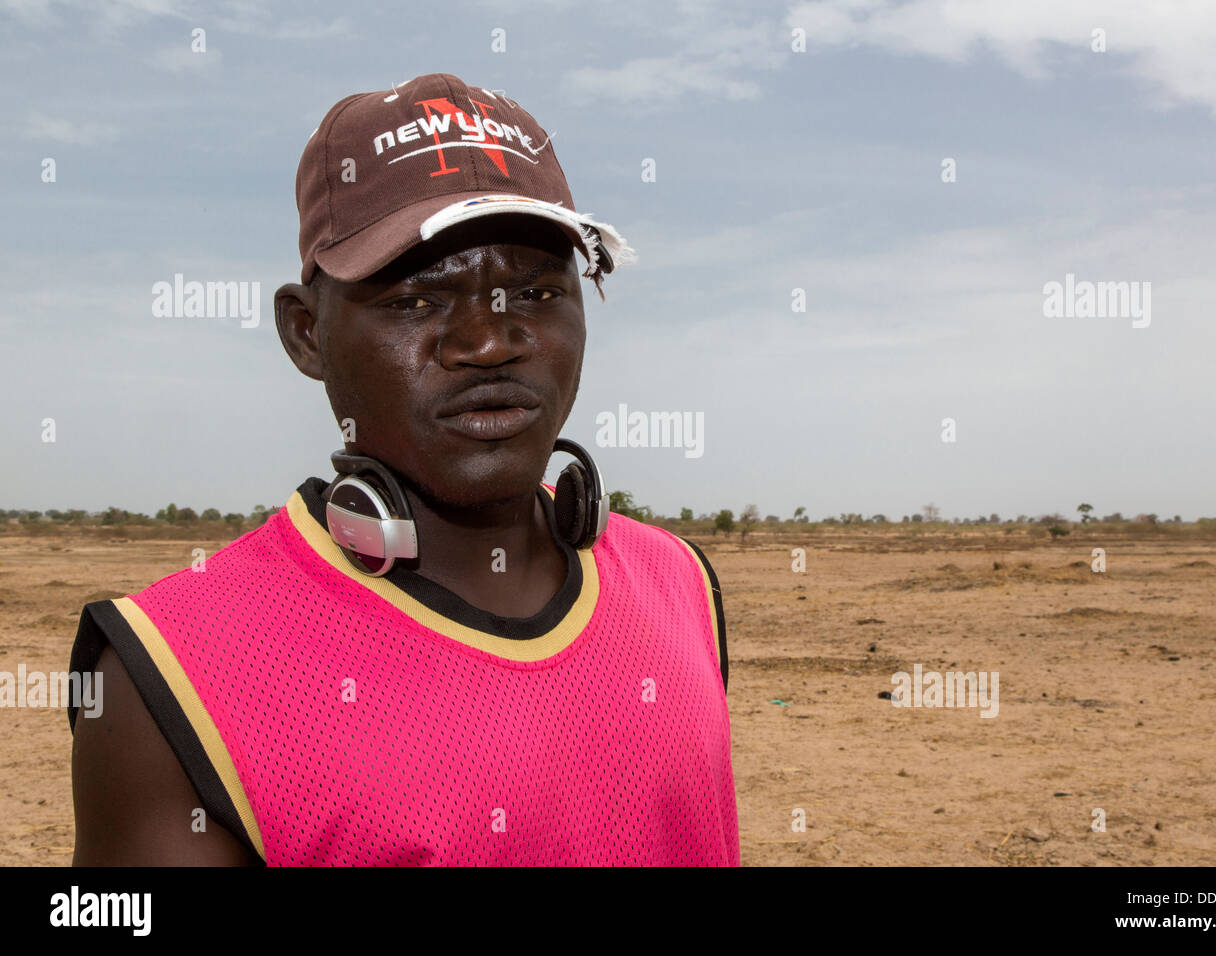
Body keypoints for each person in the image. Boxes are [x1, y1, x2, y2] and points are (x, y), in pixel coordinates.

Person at [68, 72, 737, 866]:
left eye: (533, 290)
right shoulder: (166, 677)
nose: (489, 342)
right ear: (305, 334)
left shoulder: (680, 586)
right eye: (417, 302)